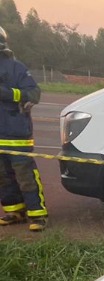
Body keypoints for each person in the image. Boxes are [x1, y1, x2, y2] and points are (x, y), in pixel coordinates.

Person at [0, 26, 46, 232]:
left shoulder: (16, 67)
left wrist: (7, 93)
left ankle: (38, 214)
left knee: (25, 176)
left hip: (16, 134)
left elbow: (33, 93)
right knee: (3, 178)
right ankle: (14, 211)